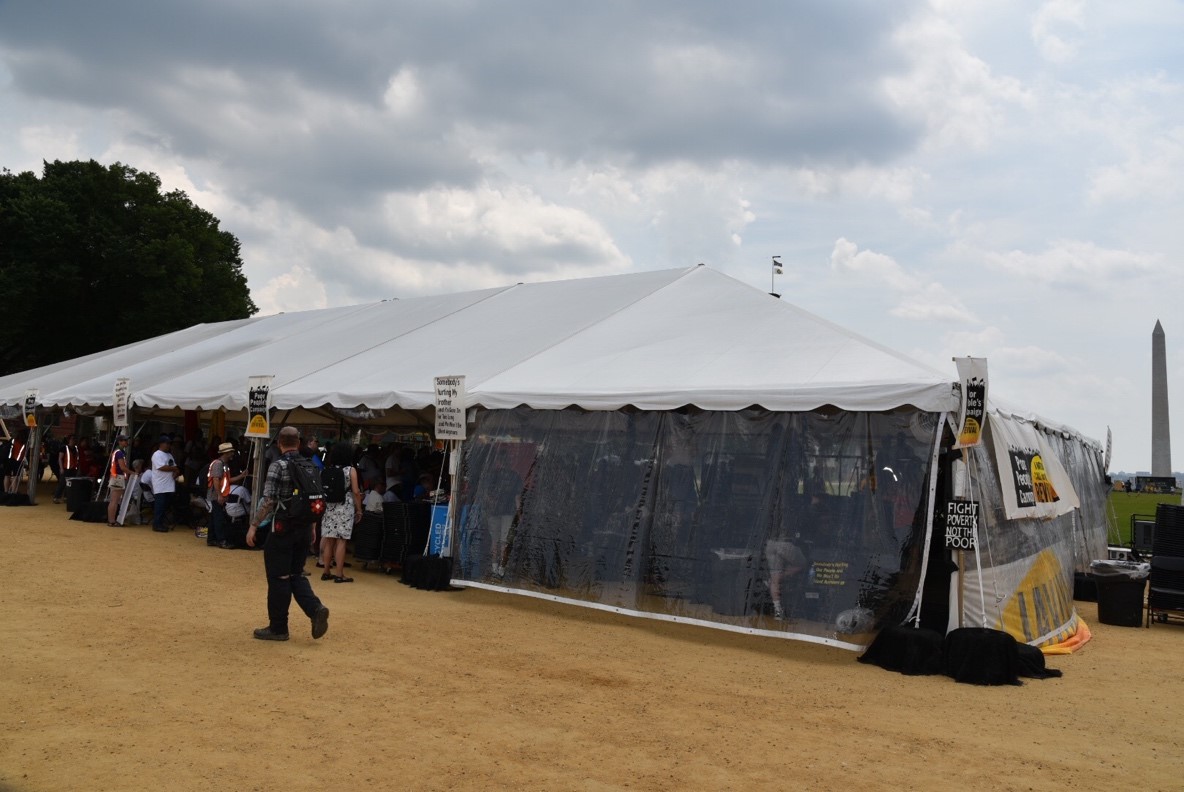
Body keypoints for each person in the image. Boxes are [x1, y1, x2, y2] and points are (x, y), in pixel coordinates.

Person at [247, 426, 329, 642]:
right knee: (296, 573)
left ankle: (279, 627)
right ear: (299, 442)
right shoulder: (310, 465)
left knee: (278, 577)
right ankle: (315, 608)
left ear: (279, 443)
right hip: (304, 528)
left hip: (282, 528)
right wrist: (312, 527)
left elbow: (269, 500)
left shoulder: (278, 466)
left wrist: (254, 525)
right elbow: (313, 499)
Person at [318, 442, 362, 583]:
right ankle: (339, 574)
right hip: (344, 506)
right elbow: (355, 491)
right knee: (341, 541)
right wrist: (359, 509)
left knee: (329, 540)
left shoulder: (326, 469)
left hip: (329, 507)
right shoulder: (351, 470)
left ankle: (326, 571)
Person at [206, 442, 236, 549]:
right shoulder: (219, 464)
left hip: (218, 494)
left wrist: (242, 476)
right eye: (231, 451)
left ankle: (211, 539)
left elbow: (226, 480)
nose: (233, 453)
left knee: (215, 517)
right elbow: (215, 480)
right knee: (219, 518)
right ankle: (221, 540)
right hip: (217, 495)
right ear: (226, 453)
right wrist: (219, 495)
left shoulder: (223, 464)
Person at [150, 434, 179, 532]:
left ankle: (161, 523)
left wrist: (176, 471)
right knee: (160, 506)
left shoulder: (169, 455)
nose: (168, 445)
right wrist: (174, 469)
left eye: (169, 444)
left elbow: (174, 466)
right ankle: (157, 524)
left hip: (169, 484)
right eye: (166, 443)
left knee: (165, 506)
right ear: (161, 444)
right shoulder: (157, 454)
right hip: (160, 485)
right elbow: (161, 467)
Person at [107, 434, 131, 526]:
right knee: (115, 500)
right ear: (120, 441)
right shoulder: (119, 452)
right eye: (124, 440)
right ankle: (111, 521)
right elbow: (122, 467)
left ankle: (111, 520)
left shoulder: (118, 451)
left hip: (115, 476)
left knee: (114, 500)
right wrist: (132, 472)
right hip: (118, 477)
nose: (126, 442)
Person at [52, 434, 79, 504]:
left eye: (74, 439)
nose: (74, 440)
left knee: (70, 484)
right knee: (62, 483)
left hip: (73, 469)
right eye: (72, 439)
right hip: (65, 468)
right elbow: (60, 458)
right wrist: (61, 468)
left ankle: (66, 497)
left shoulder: (76, 449)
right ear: (69, 440)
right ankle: (56, 497)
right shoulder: (64, 448)